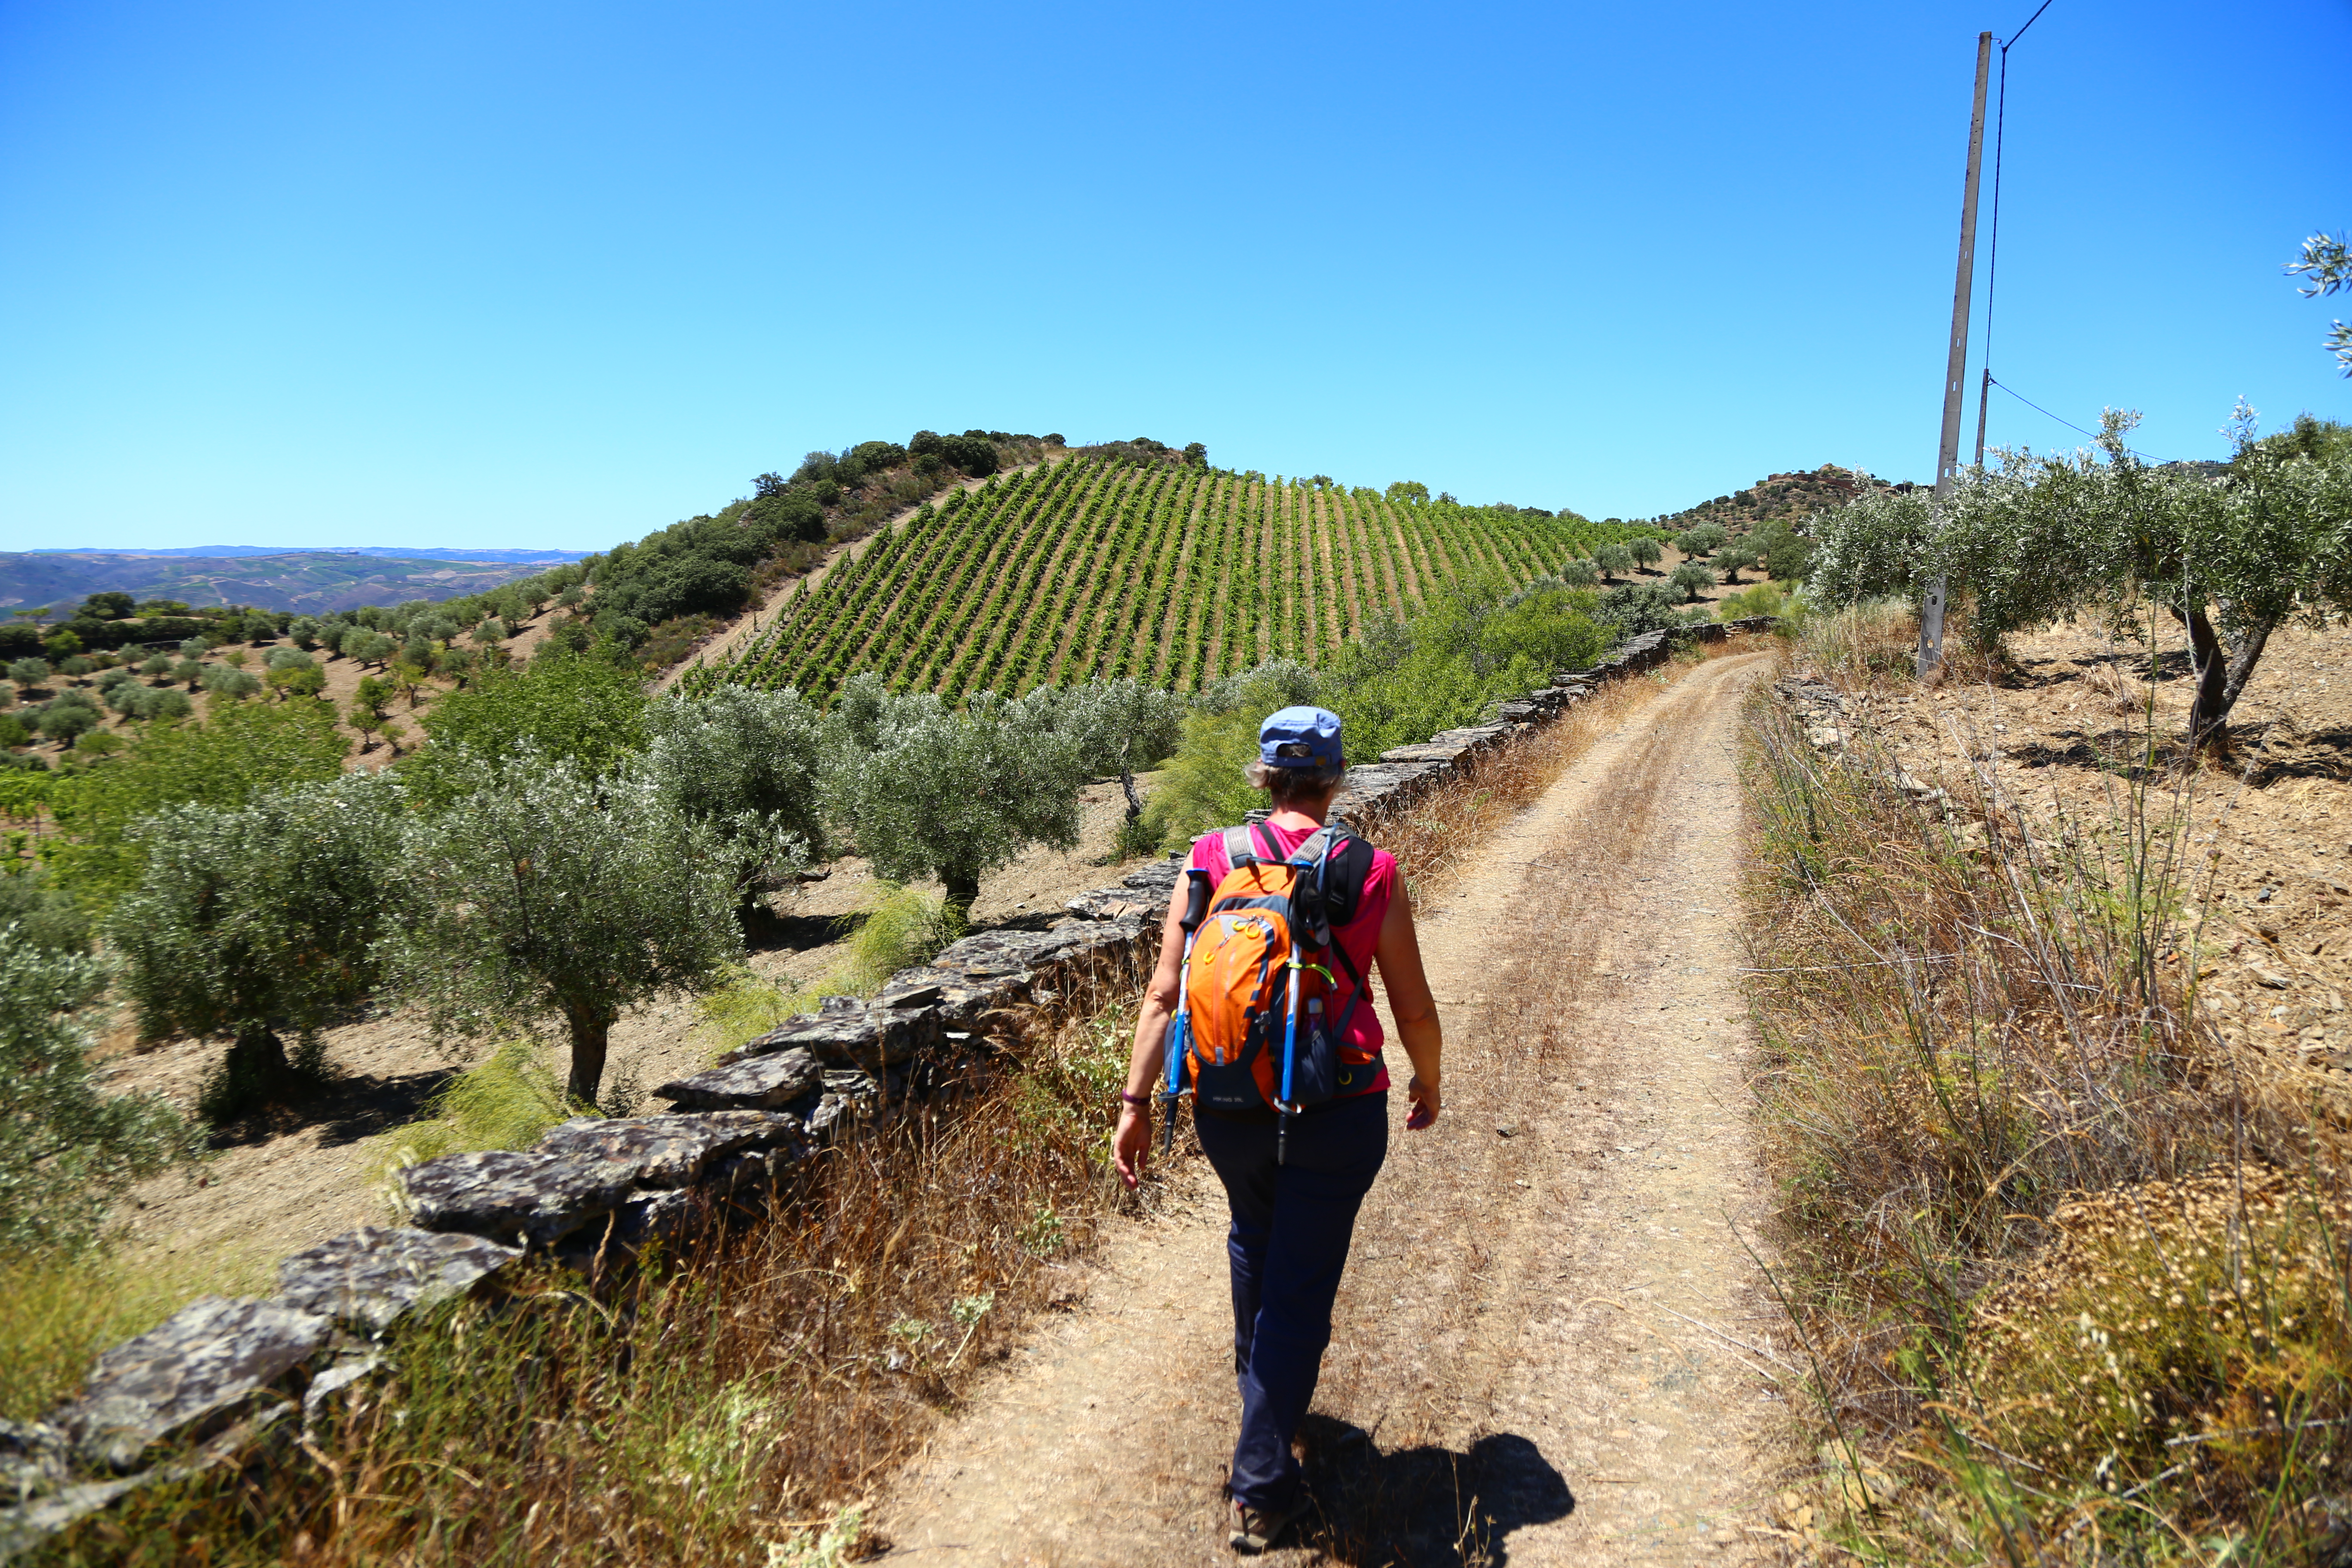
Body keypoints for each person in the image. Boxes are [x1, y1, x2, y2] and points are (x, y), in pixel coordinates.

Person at [1113, 704, 1443, 1554]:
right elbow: (1410, 1004)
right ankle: (1262, 1486)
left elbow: (1163, 994)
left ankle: (1270, 1415)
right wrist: (1429, 1080)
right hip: (1336, 1110)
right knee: (1299, 1288)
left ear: (1264, 776)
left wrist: (1135, 1105)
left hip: (1226, 1103)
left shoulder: (1210, 858)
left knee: (1256, 1246)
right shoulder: (1368, 869)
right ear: (1334, 777)